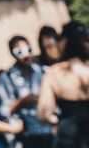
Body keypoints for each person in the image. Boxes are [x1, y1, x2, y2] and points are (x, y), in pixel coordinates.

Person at [37, 20, 89, 148]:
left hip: (69, 137)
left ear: (65, 41)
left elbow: (43, 114)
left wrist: (60, 121)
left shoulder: (53, 73)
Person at [0, 36, 53, 148]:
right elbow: (3, 111)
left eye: (28, 50)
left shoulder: (43, 72)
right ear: (13, 54)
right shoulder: (7, 77)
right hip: (25, 137)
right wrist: (21, 102)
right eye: (19, 52)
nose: (25, 55)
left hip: (49, 132)